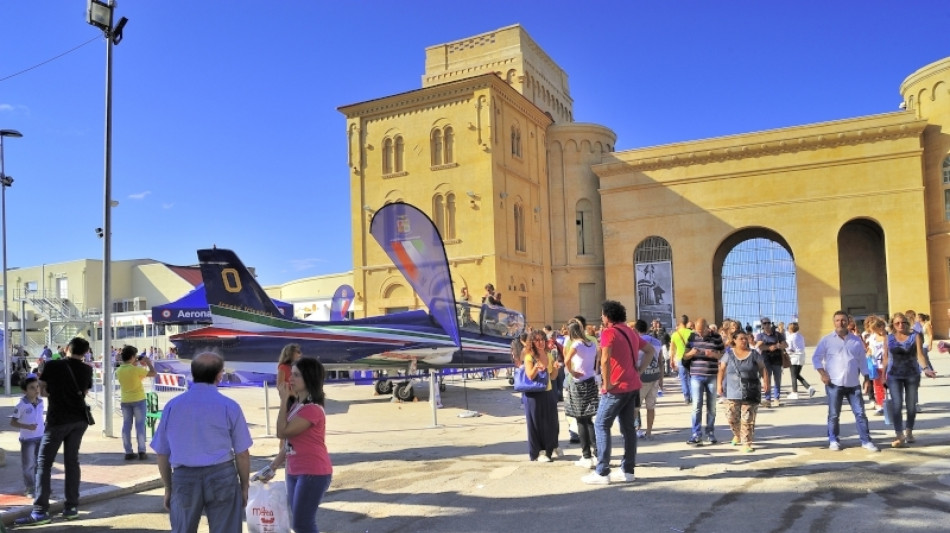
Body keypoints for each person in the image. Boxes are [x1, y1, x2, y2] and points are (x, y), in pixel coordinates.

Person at [150, 352, 253, 533]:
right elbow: (242, 453)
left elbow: (162, 453)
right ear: (219, 375)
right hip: (222, 475)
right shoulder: (229, 406)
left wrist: (168, 487)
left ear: (193, 373)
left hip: (184, 477)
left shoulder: (173, 406)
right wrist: (244, 486)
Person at [15, 337, 93, 526]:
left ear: (67, 349)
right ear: (84, 353)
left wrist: (57, 393)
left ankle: (40, 511)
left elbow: (42, 392)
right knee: (72, 462)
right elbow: (84, 393)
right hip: (79, 420)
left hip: (58, 420)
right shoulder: (87, 369)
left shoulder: (52, 365)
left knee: (44, 463)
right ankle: (71, 508)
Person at [582, 300, 653, 485]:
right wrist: (639, 370)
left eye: (602, 314)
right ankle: (628, 469)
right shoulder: (631, 331)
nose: (601, 317)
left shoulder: (609, 332)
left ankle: (602, 471)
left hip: (617, 387)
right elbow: (650, 350)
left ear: (607, 316)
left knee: (601, 424)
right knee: (628, 428)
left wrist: (607, 383)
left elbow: (605, 359)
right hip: (632, 385)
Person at [260, 357, 333, 533]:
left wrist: (284, 400)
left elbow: (282, 432)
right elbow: (288, 444)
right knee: (300, 523)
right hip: (294, 471)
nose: (290, 379)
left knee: (302, 524)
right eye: (291, 375)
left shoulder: (312, 409)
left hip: (312, 472)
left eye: (296, 375)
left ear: (309, 378)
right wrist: (272, 467)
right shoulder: (298, 406)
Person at [812, 311, 880, 452]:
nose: (840, 323)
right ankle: (833, 440)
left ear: (847, 322)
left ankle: (866, 440)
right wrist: (822, 374)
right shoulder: (826, 340)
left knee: (860, 413)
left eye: (843, 320)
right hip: (833, 384)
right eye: (837, 320)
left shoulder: (856, 341)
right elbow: (816, 358)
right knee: (834, 414)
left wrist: (867, 379)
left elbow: (862, 361)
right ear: (834, 322)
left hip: (853, 384)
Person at [884, 312, 937, 448]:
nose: (901, 325)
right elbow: (886, 358)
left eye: (903, 322)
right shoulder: (888, 338)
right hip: (894, 375)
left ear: (907, 323)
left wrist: (926, 368)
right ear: (893, 325)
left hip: (912, 374)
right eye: (897, 323)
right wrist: (883, 376)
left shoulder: (915, 336)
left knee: (911, 405)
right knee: (896, 405)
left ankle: (909, 431)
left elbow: (920, 355)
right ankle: (899, 434)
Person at [717, 331, 767, 452]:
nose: (744, 341)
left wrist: (766, 382)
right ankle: (737, 434)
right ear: (734, 340)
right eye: (741, 339)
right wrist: (719, 384)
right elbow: (722, 369)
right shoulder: (728, 354)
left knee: (748, 418)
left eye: (746, 339)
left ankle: (747, 443)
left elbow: (762, 368)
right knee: (731, 416)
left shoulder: (754, 354)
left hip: (751, 390)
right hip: (731, 391)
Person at [683, 318, 725, 445]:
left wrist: (714, 355)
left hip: (712, 375)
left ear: (707, 327)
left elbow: (723, 354)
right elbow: (684, 356)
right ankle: (696, 433)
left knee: (711, 406)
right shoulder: (692, 337)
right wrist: (691, 353)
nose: (700, 333)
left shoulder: (716, 337)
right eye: (698, 330)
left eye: (702, 330)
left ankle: (710, 432)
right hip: (696, 375)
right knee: (696, 405)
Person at [563, 320, 599, 468]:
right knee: (589, 419)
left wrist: (572, 372)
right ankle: (597, 453)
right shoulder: (591, 344)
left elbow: (566, 360)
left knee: (580, 419)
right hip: (590, 380)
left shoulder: (576, 344)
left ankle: (586, 455)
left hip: (578, 382)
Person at [521, 330, 560, 462]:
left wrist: (555, 368)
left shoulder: (549, 355)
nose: (540, 342)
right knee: (535, 424)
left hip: (548, 392)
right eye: (537, 340)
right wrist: (537, 367)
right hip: (533, 395)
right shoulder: (529, 357)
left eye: (542, 339)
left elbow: (553, 377)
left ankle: (549, 450)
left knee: (550, 423)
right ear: (532, 342)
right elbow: (530, 376)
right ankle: (537, 452)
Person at [115, 345, 157, 460]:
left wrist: (136, 362)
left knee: (126, 426)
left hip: (125, 400)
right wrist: (148, 362)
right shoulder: (135, 369)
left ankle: (128, 451)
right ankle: (142, 451)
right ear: (133, 357)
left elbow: (130, 372)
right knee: (140, 426)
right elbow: (153, 373)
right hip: (139, 399)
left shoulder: (119, 370)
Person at [11, 373, 44, 498]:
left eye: (37, 387)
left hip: (41, 437)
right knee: (29, 465)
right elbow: (13, 422)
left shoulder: (41, 402)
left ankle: (40, 487)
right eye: (32, 387)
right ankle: (30, 487)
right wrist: (27, 427)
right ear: (25, 390)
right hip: (28, 440)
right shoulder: (21, 405)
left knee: (40, 463)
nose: (36, 390)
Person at [633, 319, 663, 439]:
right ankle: (649, 431)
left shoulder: (636, 342)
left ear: (636, 329)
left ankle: (634, 430)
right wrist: (661, 380)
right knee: (651, 407)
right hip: (654, 376)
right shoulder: (657, 342)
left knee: (635, 407)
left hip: (641, 377)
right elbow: (660, 361)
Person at [755, 317, 787, 407]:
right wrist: (769, 348)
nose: (767, 325)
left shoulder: (778, 334)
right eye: (765, 324)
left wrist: (778, 346)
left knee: (777, 380)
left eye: (768, 323)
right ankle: (768, 399)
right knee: (767, 379)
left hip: (777, 359)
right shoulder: (760, 336)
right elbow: (759, 347)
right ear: (762, 325)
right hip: (765, 360)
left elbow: (785, 344)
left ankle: (777, 398)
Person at [785, 322, 815, 399]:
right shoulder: (800, 336)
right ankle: (809, 388)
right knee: (797, 374)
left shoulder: (790, 337)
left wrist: (785, 351)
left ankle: (795, 392)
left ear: (791, 329)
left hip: (794, 357)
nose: (787, 329)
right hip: (801, 356)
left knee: (793, 375)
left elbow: (789, 348)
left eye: (788, 328)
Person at [669, 314, 693, 405]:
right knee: (691, 378)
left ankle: (687, 397)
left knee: (683, 378)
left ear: (680, 322)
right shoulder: (692, 332)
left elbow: (672, 349)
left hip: (680, 357)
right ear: (687, 322)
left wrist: (671, 360)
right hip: (691, 357)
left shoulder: (675, 334)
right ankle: (694, 396)